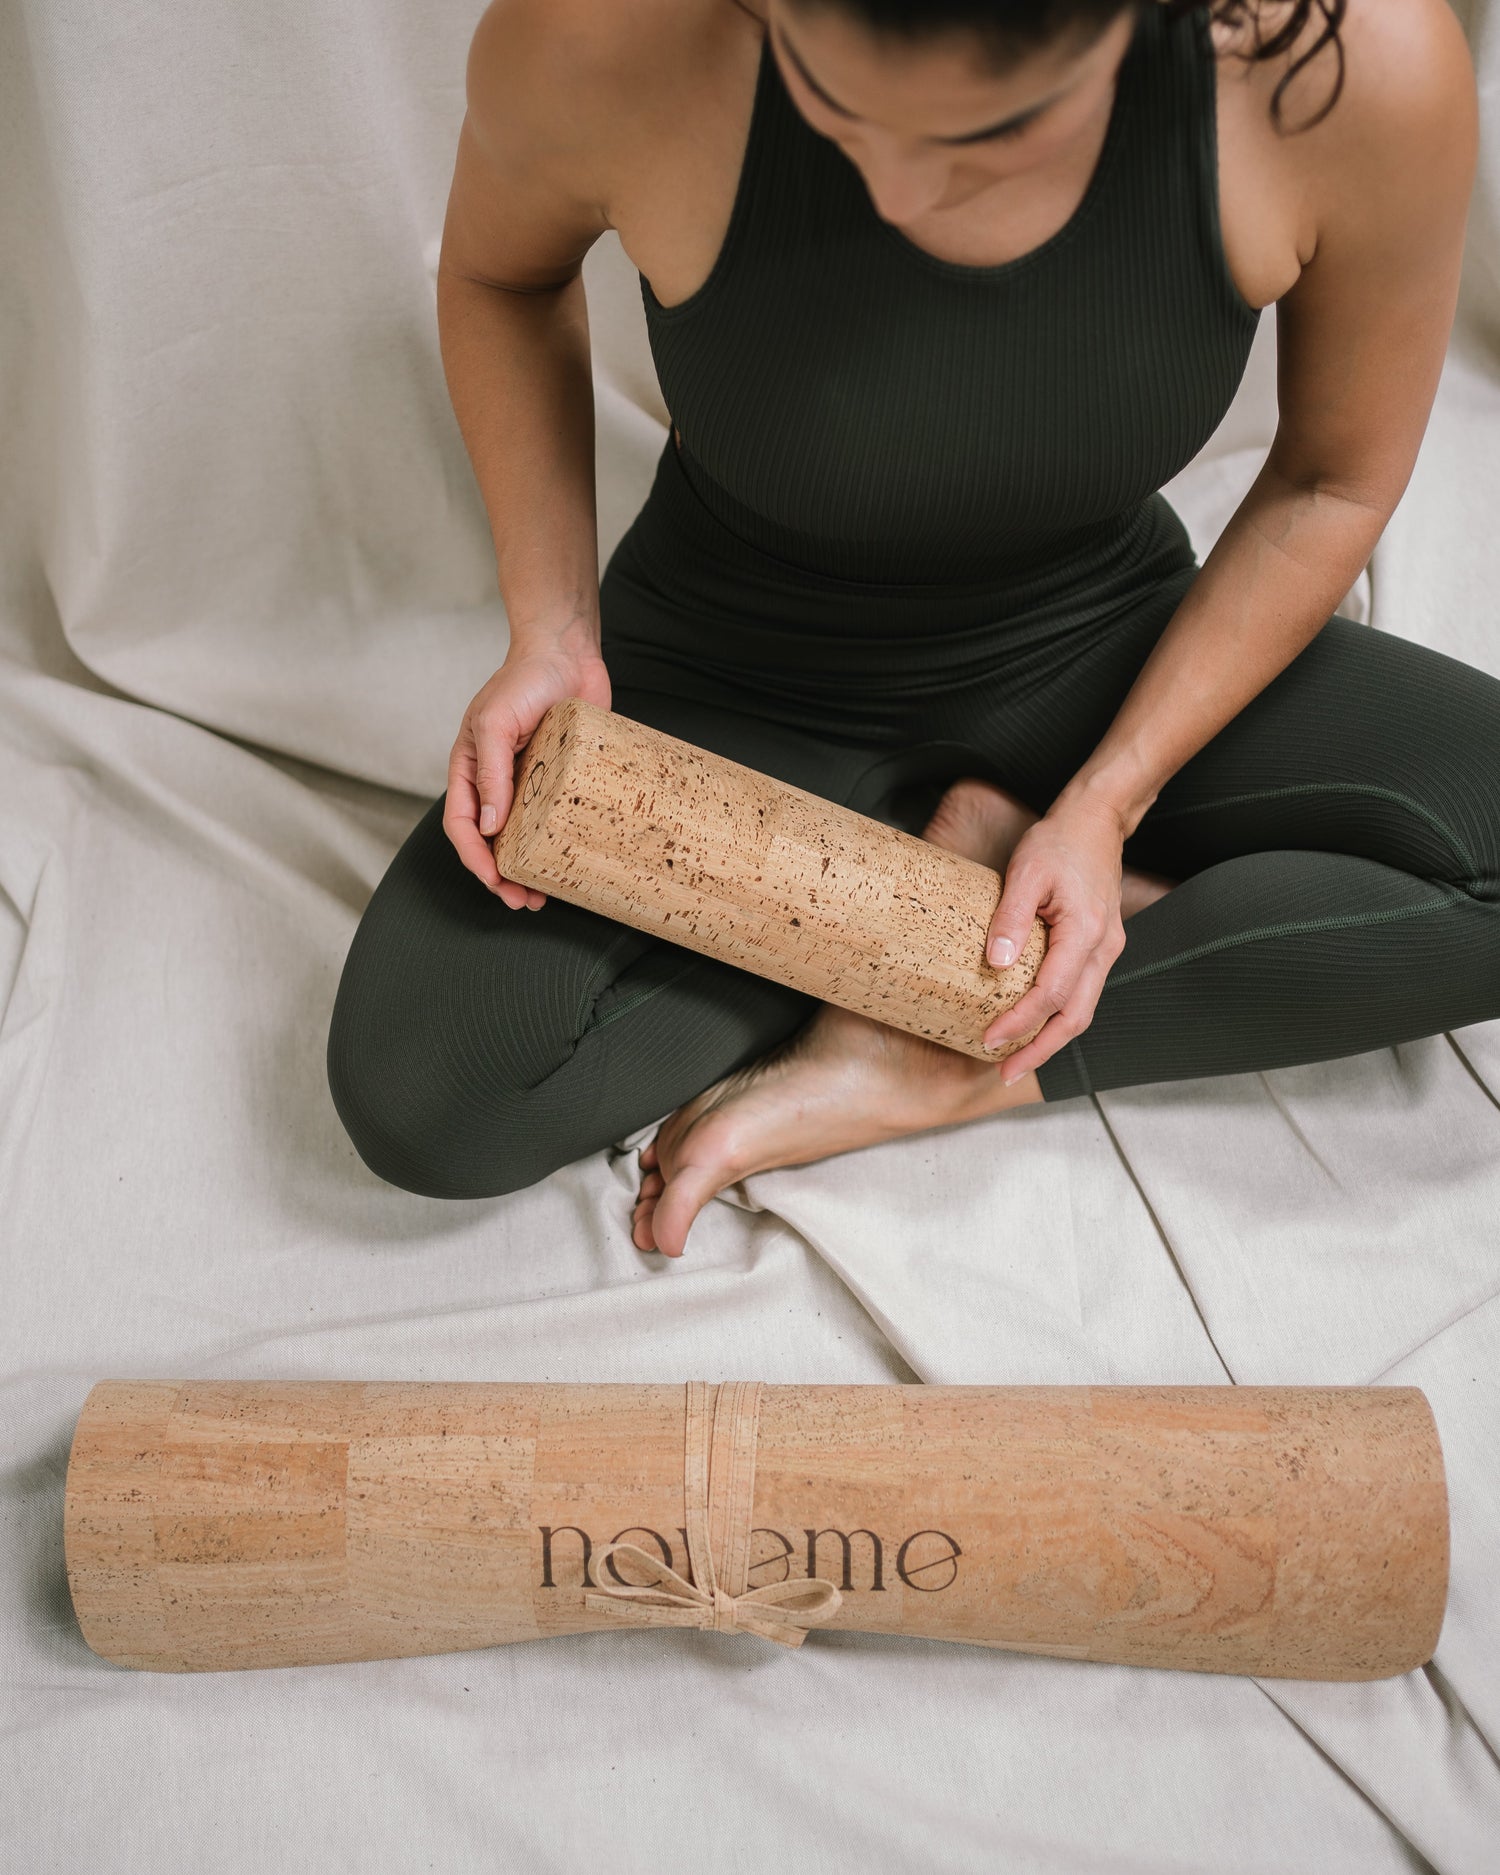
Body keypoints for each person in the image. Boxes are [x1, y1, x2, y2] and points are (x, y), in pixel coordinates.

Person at [327, 0, 1497, 1258]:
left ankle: (945, 1057)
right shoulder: (602, 32)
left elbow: (1329, 480)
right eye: (833, 112)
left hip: (1104, 647)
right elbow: (504, 276)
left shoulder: (1353, 68)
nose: (894, 196)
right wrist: (551, 628)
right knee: (433, 1094)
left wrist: (1109, 801)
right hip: (734, 665)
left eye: (993, 139)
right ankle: (944, 896)